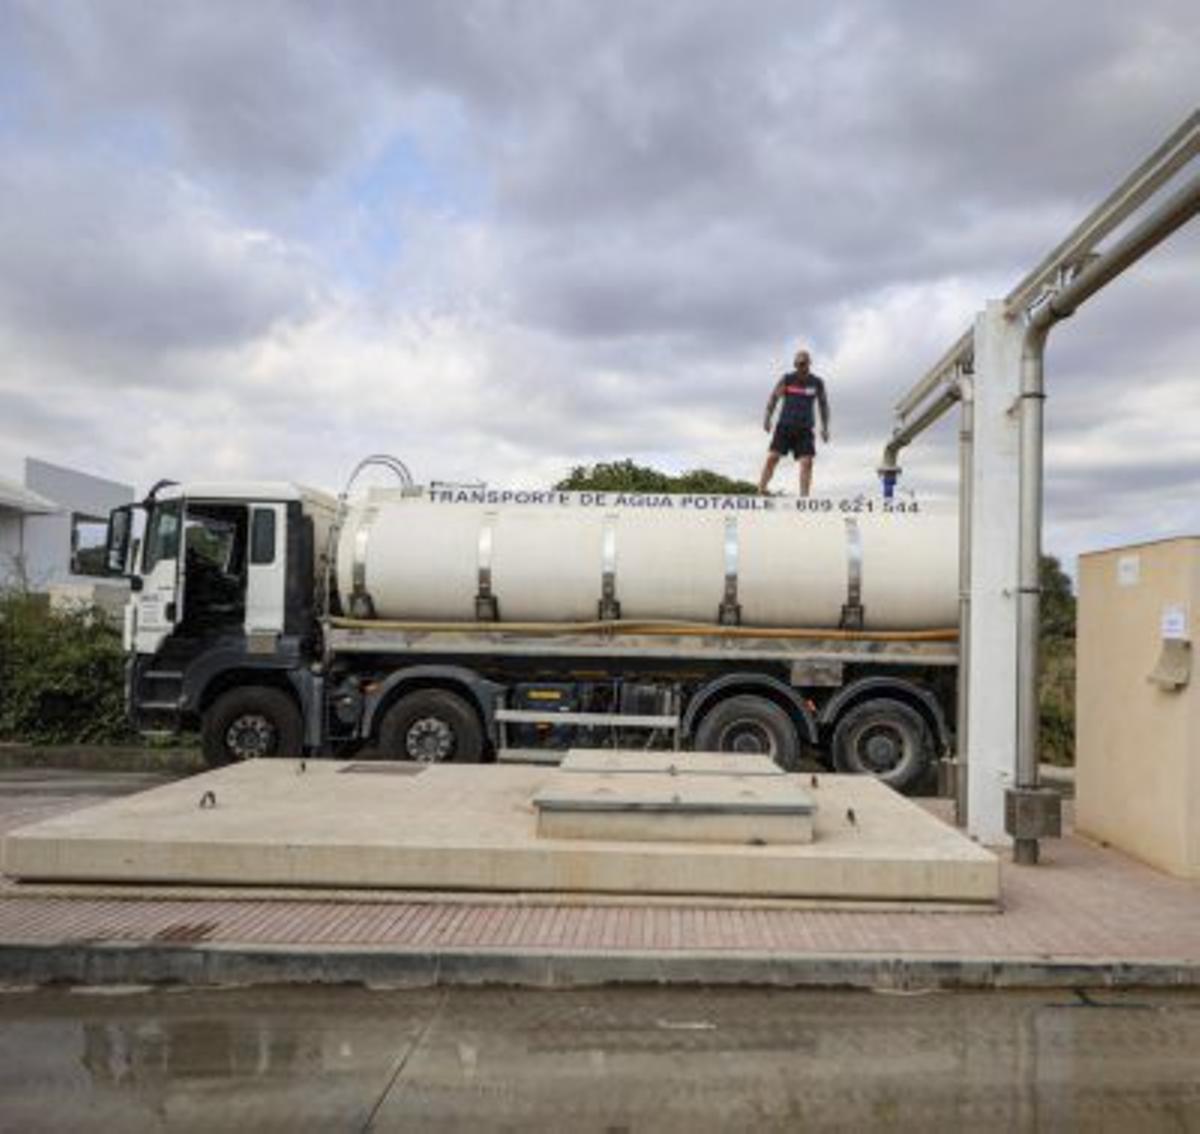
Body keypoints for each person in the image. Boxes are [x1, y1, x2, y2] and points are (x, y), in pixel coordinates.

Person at [758, 348, 830, 496]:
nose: (800, 367)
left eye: (803, 364)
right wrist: (767, 418)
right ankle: (761, 489)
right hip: (785, 425)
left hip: (805, 428)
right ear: (794, 365)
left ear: (809, 363)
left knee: (807, 462)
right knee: (773, 457)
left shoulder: (817, 383)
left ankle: (804, 498)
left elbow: (823, 405)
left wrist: (825, 427)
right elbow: (774, 398)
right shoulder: (787, 379)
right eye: (797, 364)